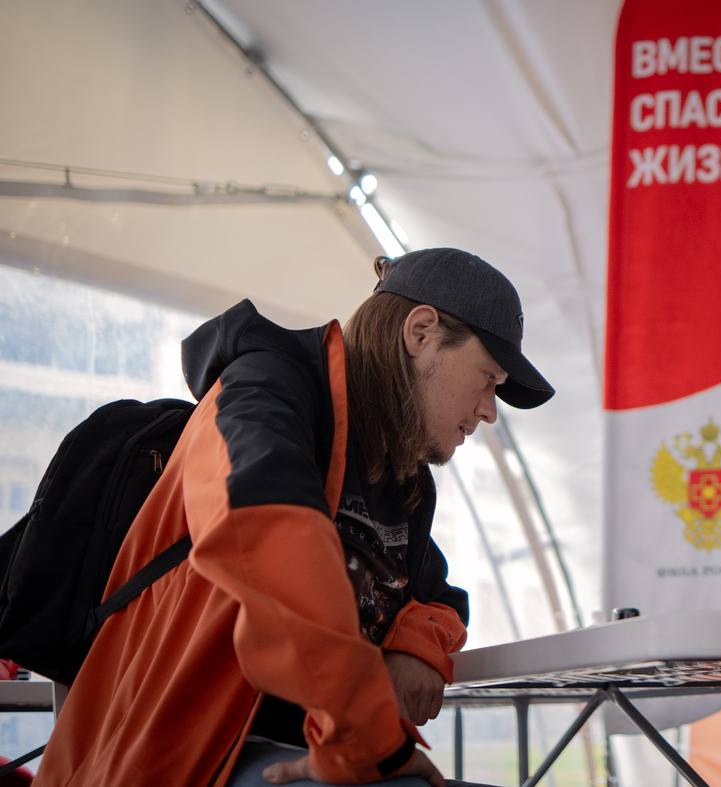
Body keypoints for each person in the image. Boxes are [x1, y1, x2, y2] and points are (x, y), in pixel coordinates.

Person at [35, 248, 554, 787]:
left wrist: (417, 643)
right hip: (175, 759)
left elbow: (437, 597)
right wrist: (366, 740)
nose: (490, 410)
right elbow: (269, 540)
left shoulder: (404, 485)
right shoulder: (262, 392)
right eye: (488, 378)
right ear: (420, 332)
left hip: (294, 751)